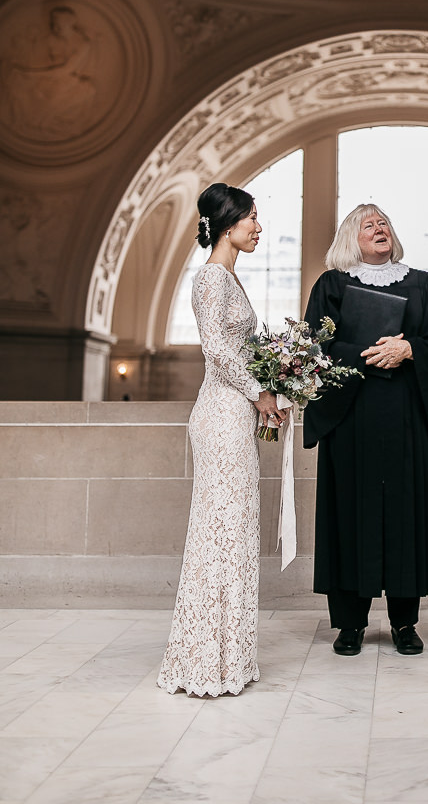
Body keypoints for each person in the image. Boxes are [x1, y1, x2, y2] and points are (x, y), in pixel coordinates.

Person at [303, 204, 428, 657]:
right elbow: (316, 344)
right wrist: (373, 353)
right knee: (348, 512)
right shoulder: (332, 284)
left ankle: (404, 623)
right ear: (350, 237)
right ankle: (350, 624)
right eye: (368, 224)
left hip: (404, 420)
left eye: (384, 222)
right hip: (349, 421)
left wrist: (409, 348)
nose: (379, 228)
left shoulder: (422, 284)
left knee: (403, 514)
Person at [157, 183, 287, 696]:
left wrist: (277, 380)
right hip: (220, 415)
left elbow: (242, 350)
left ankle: (226, 655)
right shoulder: (212, 278)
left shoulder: (229, 278)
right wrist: (262, 393)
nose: (259, 227)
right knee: (220, 534)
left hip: (235, 412)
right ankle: (203, 660)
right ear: (228, 222)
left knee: (234, 533)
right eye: (252, 217)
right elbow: (216, 349)